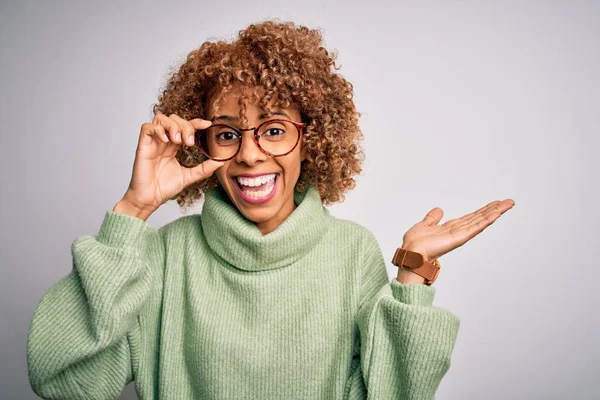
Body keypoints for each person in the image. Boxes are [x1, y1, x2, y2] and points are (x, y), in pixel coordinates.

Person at [26, 20, 515, 399]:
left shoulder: (352, 253)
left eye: (274, 128)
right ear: (205, 147)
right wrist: (133, 211)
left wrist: (412, 276)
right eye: (227, 133)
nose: (250, 153)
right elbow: (65, 381)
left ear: (312, 140)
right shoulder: (163, 255)